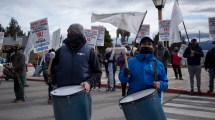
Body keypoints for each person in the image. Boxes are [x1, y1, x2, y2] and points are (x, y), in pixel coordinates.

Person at [51, 23, 102, 118]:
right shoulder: (60, 51)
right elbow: (50, 69)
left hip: (81, 94)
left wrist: (89, 82)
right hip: (62, 95)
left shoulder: (89, 51)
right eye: (68, 32)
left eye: (72, 32)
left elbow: (97, 73)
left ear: (79, 33)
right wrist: (49, 75)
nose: (69, 33)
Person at [118, 36, 168, 102]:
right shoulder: (130, 62)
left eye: (149, 44)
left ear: (153, 47)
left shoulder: (159, 64)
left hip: (153, 101)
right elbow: (123, 80)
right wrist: (125, 75)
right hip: (134, 100)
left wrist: (160, 85)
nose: (146, 46)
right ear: (140, 46)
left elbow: (165, 84)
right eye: (144, 44)